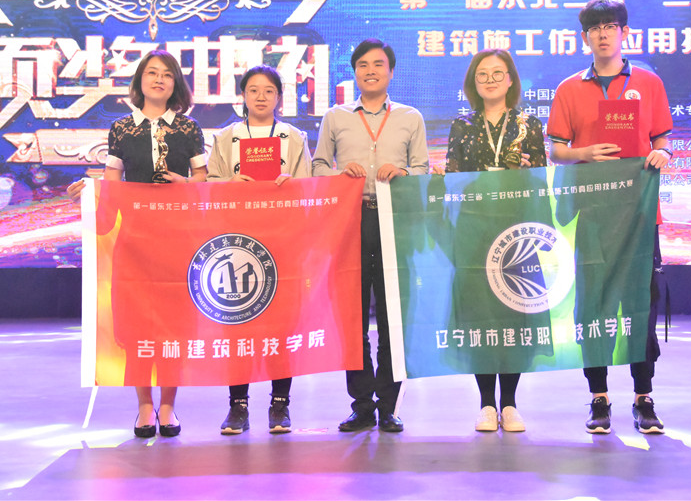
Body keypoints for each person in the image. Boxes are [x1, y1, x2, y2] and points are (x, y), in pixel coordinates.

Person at [546, 0, 672, 435]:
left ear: (624, 32)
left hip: (639, 214)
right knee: (593, 305)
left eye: (611, 26)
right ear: (584, 37)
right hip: (592, 212)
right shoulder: (569, 88)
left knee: (641, 304)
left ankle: (643, 397)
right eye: (595, 28)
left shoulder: (649, 83)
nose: (603, 34)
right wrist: (583, 153)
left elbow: (663, 140)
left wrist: (662, 153)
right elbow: (556, 149)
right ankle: (598, 397)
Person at [67, 49, 208, 438]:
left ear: (176, 84)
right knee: (136, 326)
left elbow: (203, 181)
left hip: (178, 240)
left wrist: (185, 184)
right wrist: (88, 194)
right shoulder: (121, 129)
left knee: (174, 326)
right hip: (134, 242)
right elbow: (112, 187)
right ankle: (145, 405)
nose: (159, 79)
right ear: (140, 81)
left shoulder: (189, 128)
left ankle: (169, 406)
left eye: (167, 74)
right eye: (152, 73)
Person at [312, 38, 429, 433]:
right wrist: (338, 175)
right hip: (350, 221)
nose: (370, 71)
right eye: (362, 65)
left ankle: (389, 405)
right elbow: (318, 166)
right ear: (355, 72)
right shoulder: (336, 116)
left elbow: (423, 169)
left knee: (393, 317)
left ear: (391, 72)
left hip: (396, 220)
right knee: (353, 317)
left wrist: (404, 172)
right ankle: (361, 404)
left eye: (378, 64)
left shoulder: (410, 117)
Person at [439, 49, 547, 433]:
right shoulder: (462, 125)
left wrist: (527, 171)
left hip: (516, 227)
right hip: (474, 227)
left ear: (511, 80)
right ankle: (486, 403)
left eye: (497, 73)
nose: (490, 80)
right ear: (473, 82)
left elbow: (541, 180)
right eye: (482, 74)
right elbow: (452, 178)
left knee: (513, 312)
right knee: (480, 314)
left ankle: (511, 403)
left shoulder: (529, 124)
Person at [207, 65, 313, 435]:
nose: (261, 96)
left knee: (282, 322)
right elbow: (211, 183)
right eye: (253, 90)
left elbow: (308, 184)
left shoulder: (294, 137)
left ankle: (280, 404)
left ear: (279, 97)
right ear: (243, 96)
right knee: (238, 321)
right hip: (238, 239)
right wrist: (231, 182)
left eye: (269, 90)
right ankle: (237, 406)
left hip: (283, 237)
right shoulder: (226, 137)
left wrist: (291, 184)